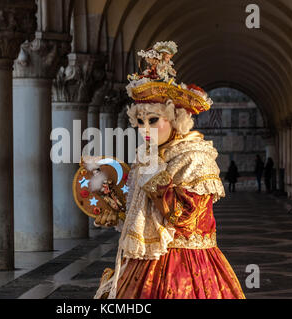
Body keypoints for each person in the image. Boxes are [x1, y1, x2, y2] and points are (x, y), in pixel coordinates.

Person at [92, 40, 245, 299]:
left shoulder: (195, 156)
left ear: (174, 119)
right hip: (145, 260)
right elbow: (140, 210)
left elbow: (186, 218)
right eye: (139, 122)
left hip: (187, 266)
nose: (145, 129)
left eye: (153, 120)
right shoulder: (149, 156)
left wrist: (155, 177)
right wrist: (113, 202)